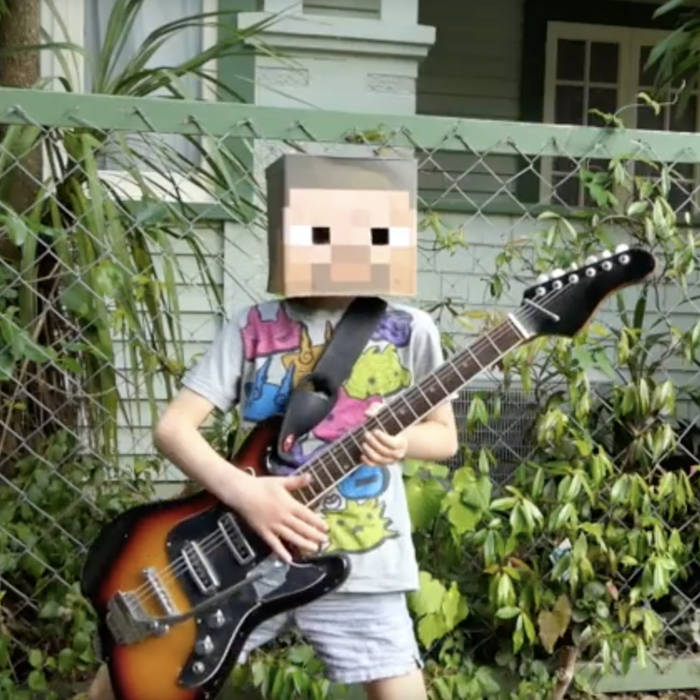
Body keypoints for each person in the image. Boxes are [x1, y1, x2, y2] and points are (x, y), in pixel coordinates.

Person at [88, 155, 458, 700]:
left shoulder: (410, 330)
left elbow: (444, 435)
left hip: (365, 565)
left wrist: (402, 441)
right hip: (237, 558)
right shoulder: (253, 327)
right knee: (124, 684)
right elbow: (174, 429)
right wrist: (247, 495)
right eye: (321, 233)